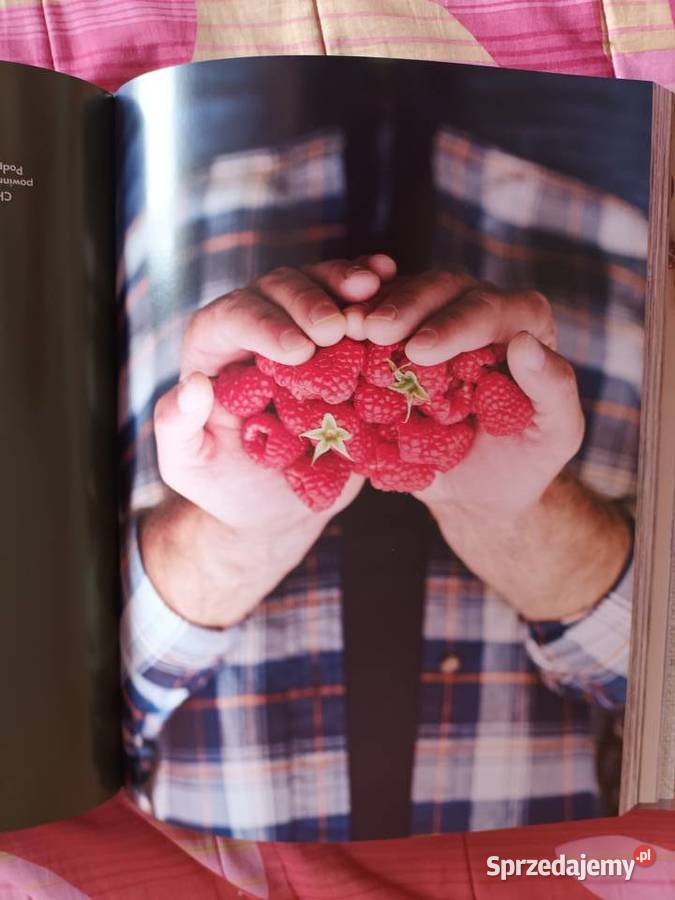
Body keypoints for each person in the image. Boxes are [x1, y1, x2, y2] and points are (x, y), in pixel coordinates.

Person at [120, 64, 646, 841]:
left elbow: (51, 717)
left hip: (209, 186)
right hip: (572, 199)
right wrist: (520, 521)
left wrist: (234, 538)